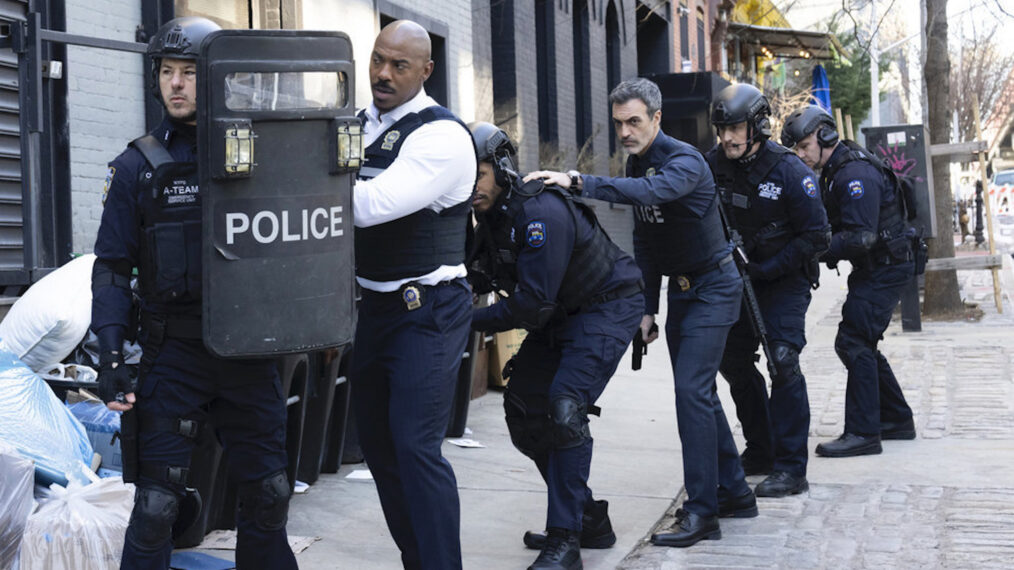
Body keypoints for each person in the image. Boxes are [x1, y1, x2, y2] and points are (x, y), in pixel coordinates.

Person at [91, 17, 298, 570]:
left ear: (215, 78)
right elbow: (112, 268)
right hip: (172, 353)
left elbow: (302, 240)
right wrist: (111, 356)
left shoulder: (258, 156)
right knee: (158, 506)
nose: (176, 84)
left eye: (189, 72)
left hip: (247, 351)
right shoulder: (136, 167)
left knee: (271, 494)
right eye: (167, 72)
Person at [527, 77, 756, 549]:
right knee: (701, 396)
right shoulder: (638, 163)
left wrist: (578, 180)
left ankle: (702, 512)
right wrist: (648, 308)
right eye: (619, 123)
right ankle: (734, 491)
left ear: (656, 118)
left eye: (635, 121)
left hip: (716, 286)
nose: (626, 131)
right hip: (685, 292)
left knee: (690, 392)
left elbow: (647, 196)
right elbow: (646, 242)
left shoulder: (684, 161)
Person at [467, 122, 643, 569]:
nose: (471, 186)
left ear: (502, 169)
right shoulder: (484, 216)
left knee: (565, 407)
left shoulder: (538, 211)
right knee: (524, 410)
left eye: (479, 174)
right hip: (560, 316)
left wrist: (461, 322)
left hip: (606, 306)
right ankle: (586, 516)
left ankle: (565, 542)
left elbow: (530, 306)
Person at [348, 20, 475, 569]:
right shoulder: (359, 125)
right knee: (378, 446)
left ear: (425, 71)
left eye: (399, 65)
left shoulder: (441, 136)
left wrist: (302, 186)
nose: (382, 73)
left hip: (428, 311)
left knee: (416, 449)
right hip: (374, 309)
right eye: (378, 59)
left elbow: (369, 206)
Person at [706, 84, 829, 497]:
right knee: (732, 360)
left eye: (735, 128)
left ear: (758, 125)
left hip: (784, 279)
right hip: (737, 281)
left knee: (783, 360)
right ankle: (761, 449)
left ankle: (792, 467)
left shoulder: (790, 170)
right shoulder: (712, 165)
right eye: (721, 129)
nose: (727, 138)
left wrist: (766, 268)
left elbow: (816, 237)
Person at [781, 105, 917, 458]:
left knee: (853, 341)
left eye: (804, 146)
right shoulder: (835, 169)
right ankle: (897, 419)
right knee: (861, 340)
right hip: (877, 267)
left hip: (887, 266)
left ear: (826, 136)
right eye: (795, 148)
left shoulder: (853, 173)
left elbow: (860, 238)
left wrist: (814, 250)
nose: (800, 154)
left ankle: (863, 432)